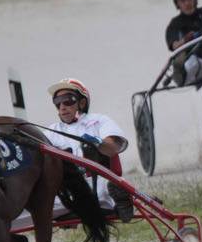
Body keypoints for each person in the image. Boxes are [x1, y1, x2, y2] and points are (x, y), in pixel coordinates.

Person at [44, 78, 134, 222]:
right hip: (66, 193)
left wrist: (97, 143)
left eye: (68, 100)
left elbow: (113, 148)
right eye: (57, 102)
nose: (62, 106)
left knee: (108, 187)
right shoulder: (50, 132)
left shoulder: (98, 121)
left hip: (98, 185)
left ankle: (121, 201)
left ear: (82, 103)